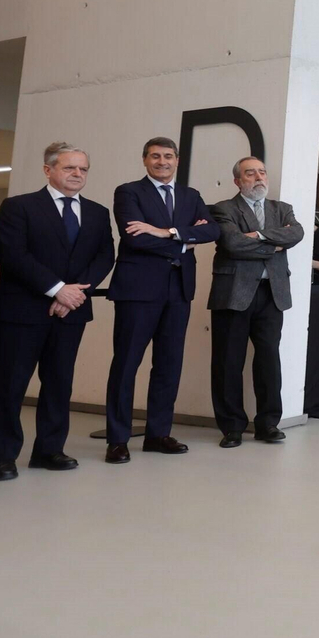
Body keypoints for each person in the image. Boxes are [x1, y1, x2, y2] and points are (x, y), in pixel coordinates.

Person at [0, 142, 116, 480]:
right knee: (10, 385)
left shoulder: (98, 213)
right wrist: (58, 289)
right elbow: (13, 255)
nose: (77, 174)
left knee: (59, 383)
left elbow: (104, 256)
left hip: (71, 312)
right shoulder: (19, 207)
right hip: (21, 311)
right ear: (48, 170)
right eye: (69, 167)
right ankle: (3, 457)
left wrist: (73, 294)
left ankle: (49, 450)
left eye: (83, 169)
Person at [105, 137, 219, 463]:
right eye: (155, 156)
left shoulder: (191, 195)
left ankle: (158, 433)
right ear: (145, 160)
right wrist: (185, 238)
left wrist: (166, 232)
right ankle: (118, 439)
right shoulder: (128, 192)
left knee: (168, 365)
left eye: (168, 156)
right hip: (138, 290)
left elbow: (212, 231)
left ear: (177, 160)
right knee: (127, 364)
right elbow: (134, 237)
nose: (162, 161)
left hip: (179, 290)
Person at [206, 157, 304, 448]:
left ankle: (268, 424)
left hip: (272, 294)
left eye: (262, 172)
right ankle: (232, 427)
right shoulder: (223, 209)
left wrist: (259, 236)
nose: (259, 177)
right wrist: (274, 244)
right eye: (250, 174)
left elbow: (296, 233)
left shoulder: (281, 208)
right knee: (228, 362)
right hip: (233, 294)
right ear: (238, 181)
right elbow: (232, 244)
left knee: (268, 361)